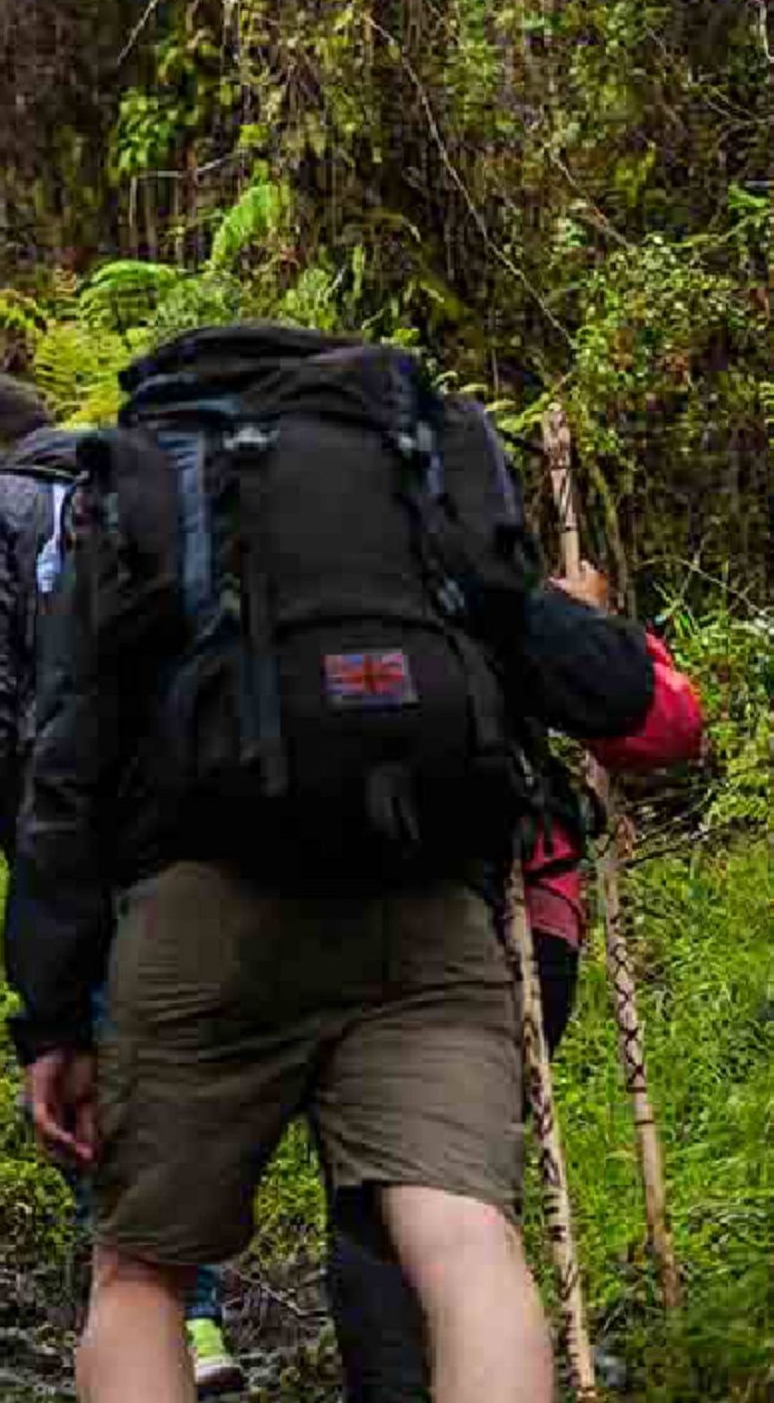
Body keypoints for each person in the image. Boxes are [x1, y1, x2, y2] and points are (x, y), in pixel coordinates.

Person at [13, 327, 660, 1403]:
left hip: (205, 913)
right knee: (462, 1241)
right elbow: (611, 691)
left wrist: (51, 1017)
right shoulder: (415, 472)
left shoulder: (149, 482)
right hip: (426, 907)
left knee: (140, 1275)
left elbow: (67, 761)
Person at [0, 375, 246, 1397]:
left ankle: (179, 1328)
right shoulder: (164, 489)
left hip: (82, 843)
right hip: (234, 828)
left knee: (86, 1073)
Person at [324, 560, 704, 1403]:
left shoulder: (276, 593)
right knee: (461, 1189)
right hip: (513, 920)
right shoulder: (493, 587)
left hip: (321, 918)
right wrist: (599, 629)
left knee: (364, 1193)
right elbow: (665, 722)